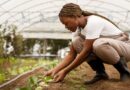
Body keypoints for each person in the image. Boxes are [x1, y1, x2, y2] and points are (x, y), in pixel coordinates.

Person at [44, 3, 130, 84]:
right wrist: (55, 70)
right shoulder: (78, 30)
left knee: (99, 44)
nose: (66, 27)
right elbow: (71, 55)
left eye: (66, 23)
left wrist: (65, 71)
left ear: (74, 17)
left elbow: (86, 52)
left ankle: (124, 72)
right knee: (76, 42)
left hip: (125, 48)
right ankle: (101, 73)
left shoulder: (93, 22)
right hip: (110, 50)